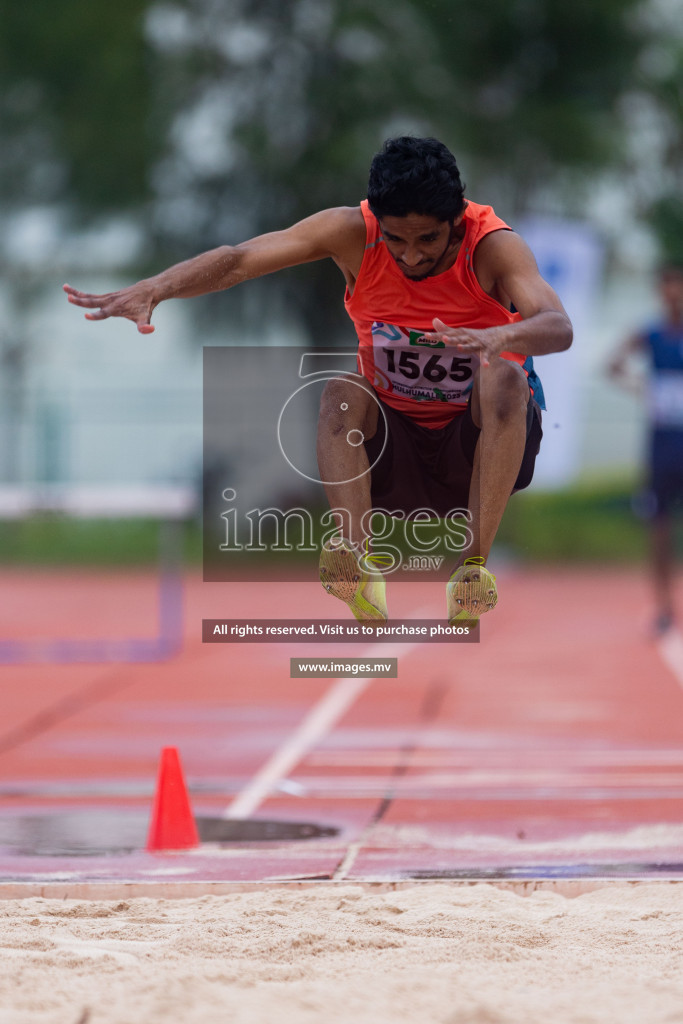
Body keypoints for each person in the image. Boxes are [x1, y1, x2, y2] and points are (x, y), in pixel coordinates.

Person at [64, 136, 572, 625]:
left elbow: (558, 326)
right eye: (397, 240)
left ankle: (472, 570)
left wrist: (500, 337)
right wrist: (158, 287)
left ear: (457, 221)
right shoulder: (351, 233)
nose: (411, 257)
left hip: (477, 448)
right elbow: (240, 260)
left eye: (428, 241)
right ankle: (357, 560)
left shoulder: (494, 247)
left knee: (505, 379)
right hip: (391, 453)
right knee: (340, 392)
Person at [607, 262, 683, 635]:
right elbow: (612, 364)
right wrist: (642, 387)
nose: (672, 294)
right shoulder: (651, 334)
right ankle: (665, 607)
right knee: (659, 528)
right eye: (665, 287)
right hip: (662, 443)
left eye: (676, 286)